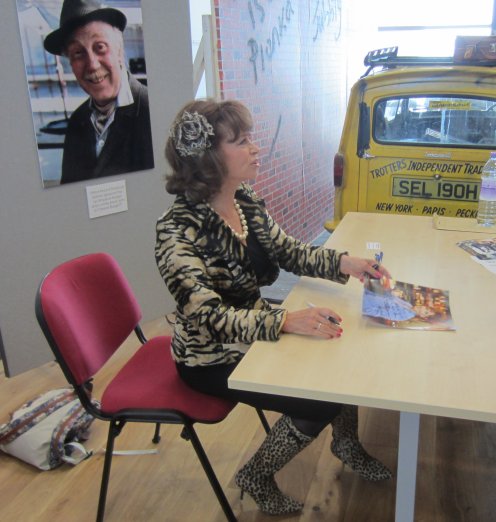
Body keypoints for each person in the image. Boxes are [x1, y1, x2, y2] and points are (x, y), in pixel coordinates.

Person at [155, 99, 393, 515]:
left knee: (335, 347)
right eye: (242, 141)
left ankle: (347, 443)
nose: (256, 148)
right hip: (209, 357)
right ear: (209, 157)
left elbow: (287, 251)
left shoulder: (243, 198)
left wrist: (346, 262)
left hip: (253, 329)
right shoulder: (175, 231)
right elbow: (208, 319)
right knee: (319, 399)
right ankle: (256, 474)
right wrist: (285, 320)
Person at [43, 0, 154, 184]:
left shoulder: (151, 110)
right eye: (78, 52)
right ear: (70, 63)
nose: (92, 65)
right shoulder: (78, 120)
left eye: (100, 47)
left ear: (119, 50)